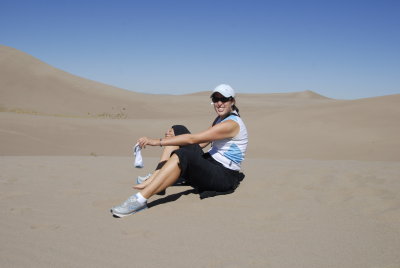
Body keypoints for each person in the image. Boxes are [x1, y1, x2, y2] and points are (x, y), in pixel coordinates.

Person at [111, 84, 248, 217]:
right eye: (215, 99)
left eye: (223, 99)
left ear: (232, 101)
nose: (219, 103)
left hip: (223, 176)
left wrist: (157, 142)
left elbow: (193, 139)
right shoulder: (220, 119)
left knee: (183, 154)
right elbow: (203, 142)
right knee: (178, 129)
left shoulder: (231, 124)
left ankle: (139, 200)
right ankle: (157, 176)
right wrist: (177, 142)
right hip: (210, 163)